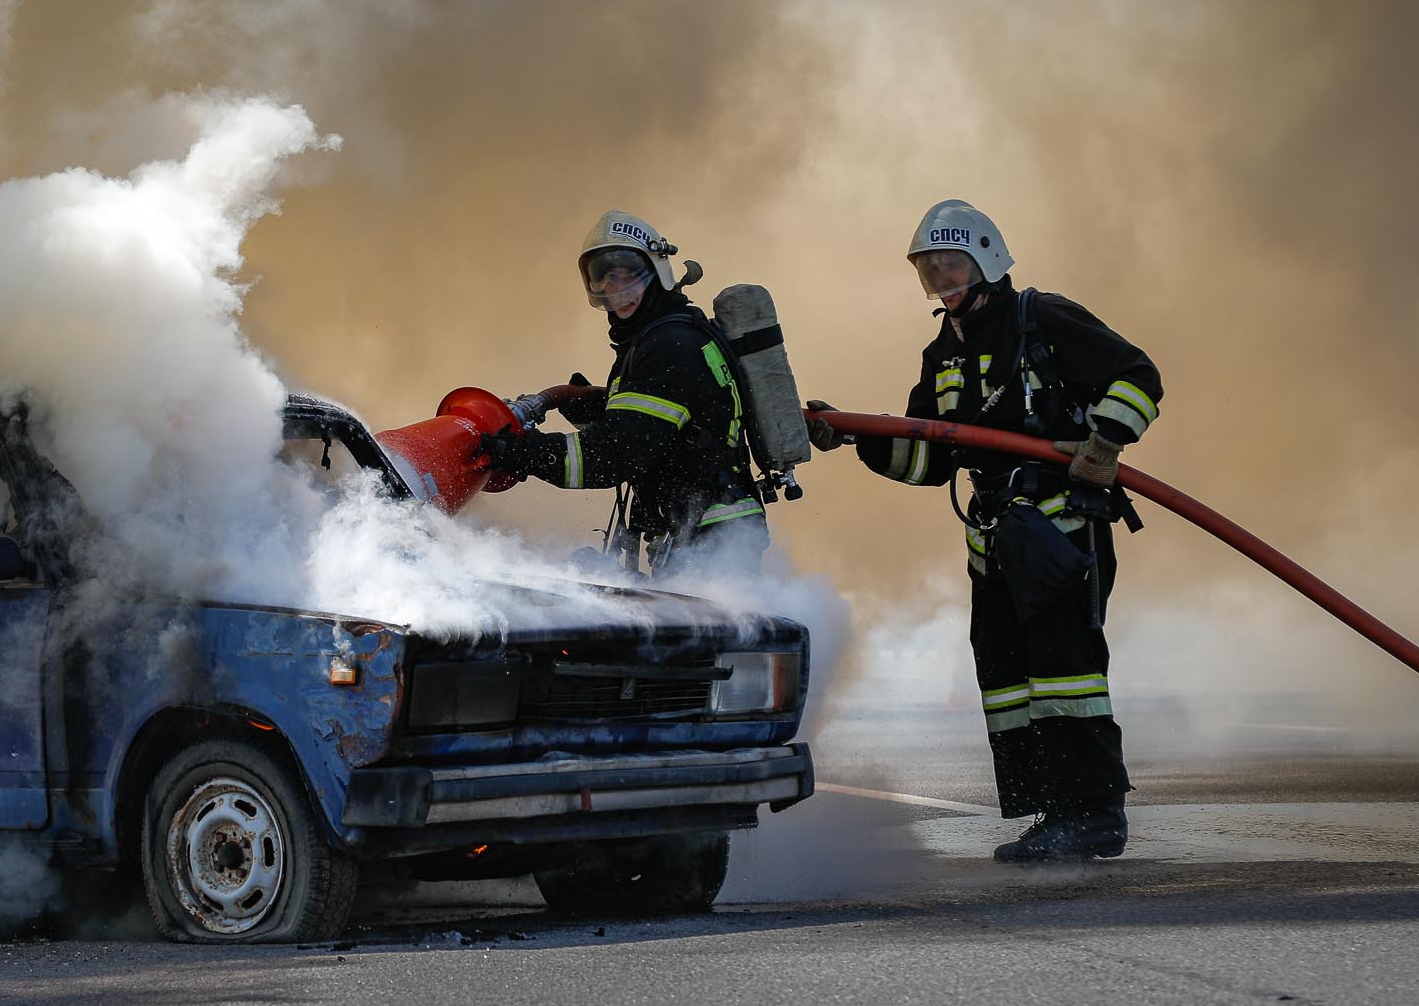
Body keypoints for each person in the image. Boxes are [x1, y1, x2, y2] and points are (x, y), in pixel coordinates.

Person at [808, 198, 1163, 862]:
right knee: (1007, 677)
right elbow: (928, 456)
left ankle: (1092, 813)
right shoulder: (942, 353)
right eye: (931, 271)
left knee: (1067, 675)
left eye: (953, 265)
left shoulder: (1041, 319)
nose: (943, 281)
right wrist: (853, 436)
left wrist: (1106, 439)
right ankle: (1050, 810)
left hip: (1059, 530)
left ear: (987, 259)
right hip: (996, 538)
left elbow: (1139, 375)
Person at [478, 210, 767, 578]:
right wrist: (599, 411)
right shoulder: (665, 338)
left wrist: (526, 454)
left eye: (629, 273)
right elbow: (664, 429)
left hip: (713, 538)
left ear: (658, 269)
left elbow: (618, 455)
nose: (619, 289)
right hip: (698, 530)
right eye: (605, 278)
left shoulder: (671, 345)